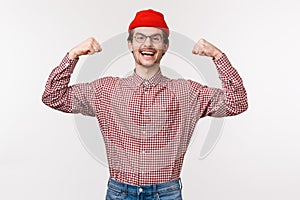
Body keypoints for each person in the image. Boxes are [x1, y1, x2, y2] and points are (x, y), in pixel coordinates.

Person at [42, 9, 248, 200]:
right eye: (140, 37)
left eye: (155, 38)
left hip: (166, 192)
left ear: (165, 46)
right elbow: (53, 96)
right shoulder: (105, 91)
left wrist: (218, 56)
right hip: (119, 192)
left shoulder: (186, 92)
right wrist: (73, 55)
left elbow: (237, 103)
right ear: (130, 44)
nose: (147, 44)